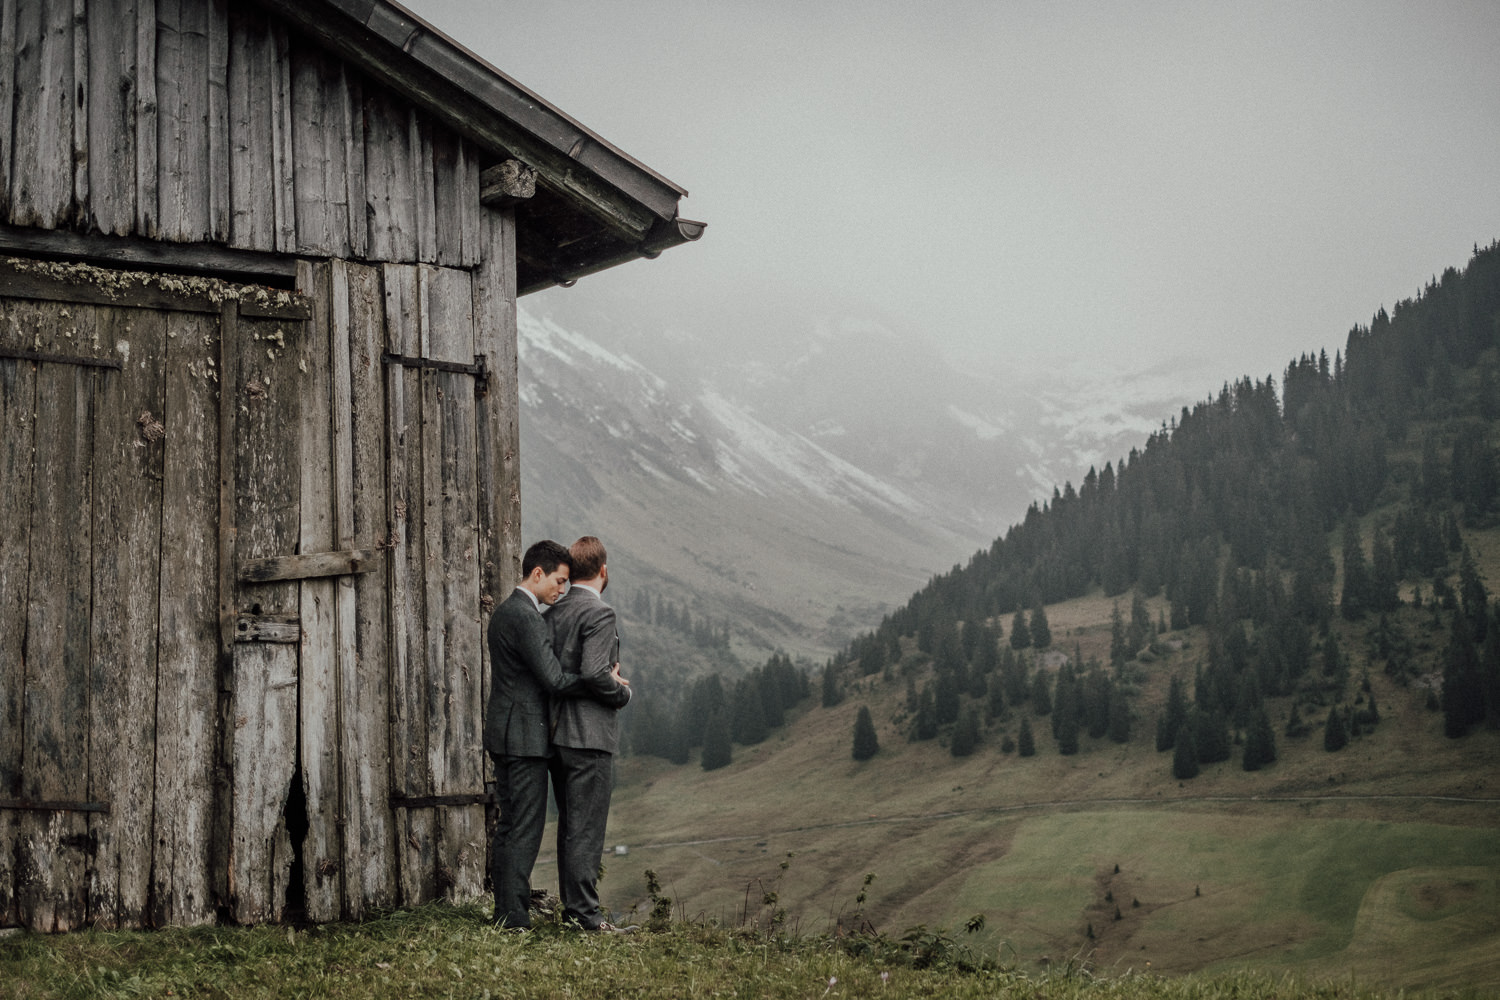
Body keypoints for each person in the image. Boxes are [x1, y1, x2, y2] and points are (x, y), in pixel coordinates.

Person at [484, 539, 629, 929]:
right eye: (557, 582)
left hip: (529, 733)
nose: (560, 591)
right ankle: (517, 918)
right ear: (537, 574)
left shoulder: (519, 613)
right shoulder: (526, 616)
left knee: (517, 825)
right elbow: (554, 678)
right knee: (525, 829)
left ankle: (511, 913)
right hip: (526, 736)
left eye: (566, 582)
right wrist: (610, 685)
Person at [547, 536, 634, 931]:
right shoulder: (600, 613)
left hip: (555, 734)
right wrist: (623, 692)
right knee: (586, 828)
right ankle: (584, 916)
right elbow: (595, 673)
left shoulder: (553, 609)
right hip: (590, 735)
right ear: (602, 570)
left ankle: (574, 910)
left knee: (570, 825)